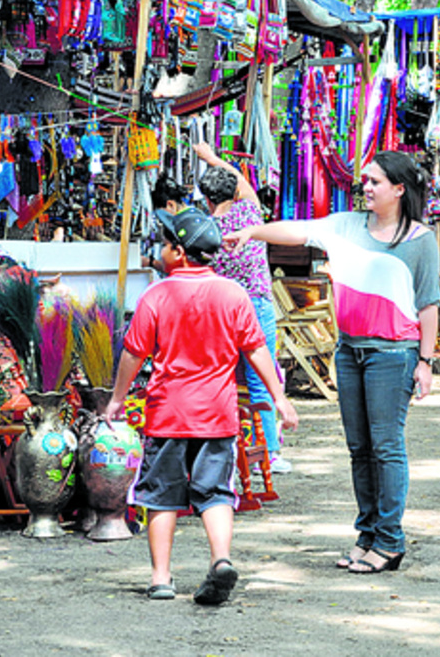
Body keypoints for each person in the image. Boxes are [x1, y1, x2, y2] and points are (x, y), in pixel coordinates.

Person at [225, 151, 440, 575]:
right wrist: (251, 231)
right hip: (350, 350)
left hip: (392, 354)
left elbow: (428, 303)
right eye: (365, 180)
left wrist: (426, 361)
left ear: (399, 189)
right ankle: (367, 534)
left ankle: (390, 541)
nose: (368, 187)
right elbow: (296, 230)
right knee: (359, 449)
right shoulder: (344, 226)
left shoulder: (420, 240)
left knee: (386, 446)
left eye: (376, 181)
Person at [106, 206, 298, 604]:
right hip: (218, 416)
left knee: (159, 497)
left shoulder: (157, 294)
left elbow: (133, 353)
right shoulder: (233, 293)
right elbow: (257, 349)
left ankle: (161, 577)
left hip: (168, 415)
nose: (159, 249)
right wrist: (278, 397)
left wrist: (118, 399)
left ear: (178, 252)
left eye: (164, 243)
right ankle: (221, 560)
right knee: (215, 494)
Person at [195, 142, 291, 473]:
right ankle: (271, 453)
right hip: (258, 307)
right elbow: (242, 182)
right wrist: (211, 157)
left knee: (218, 379)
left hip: (221, 313)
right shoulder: (250, 213)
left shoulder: (205, 231)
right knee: (261, 380)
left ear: (207, 199)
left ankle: (218, 450)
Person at [141, 174, 190, 275]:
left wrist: (151, 262)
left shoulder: (183, 227)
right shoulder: (191, 217)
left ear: (170, 204)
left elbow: (177, 266)